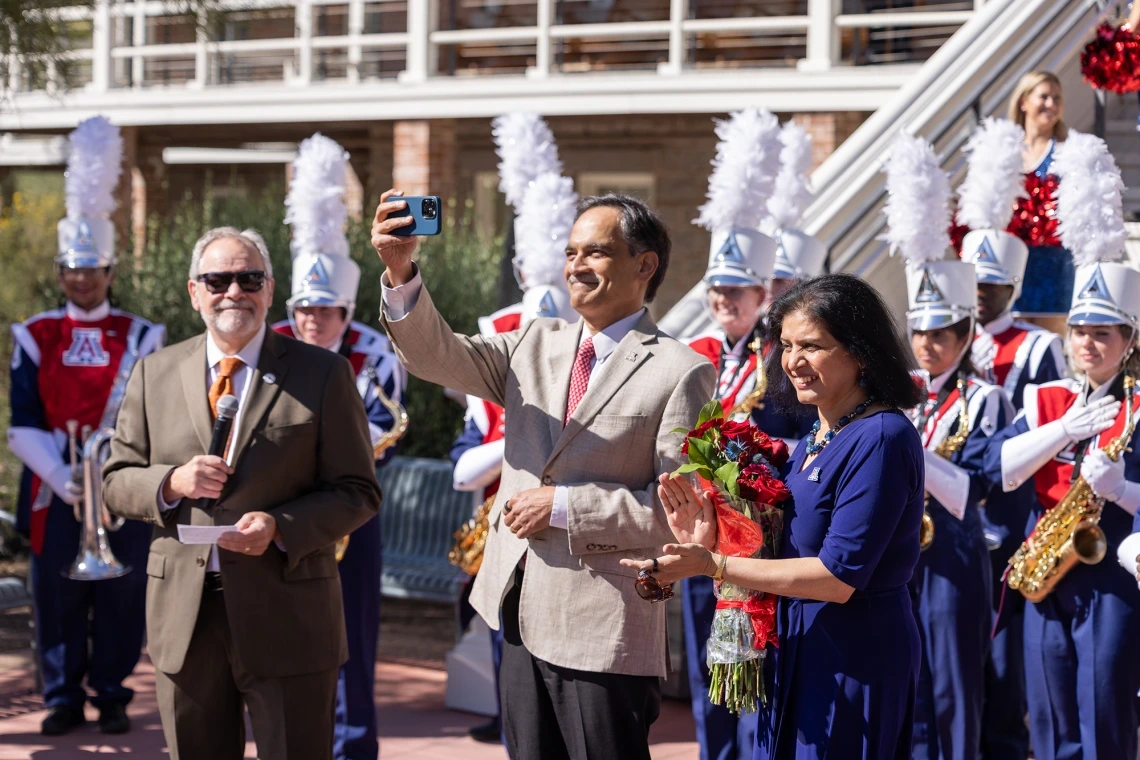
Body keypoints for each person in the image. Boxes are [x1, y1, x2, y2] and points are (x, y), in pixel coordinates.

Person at [373, 190, 715, 760]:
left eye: (596, 252)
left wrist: (563, 506)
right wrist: (401, 270)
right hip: (517, 610)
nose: (576, 265)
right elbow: (436, 358)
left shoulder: (682, 371)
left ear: (644, 264)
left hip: (603, 629)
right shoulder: (536, 340)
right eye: (571, 251)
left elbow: (680, 513)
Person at [102, 227, 381, 760]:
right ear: (194, 292)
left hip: (289, 612)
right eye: (218, 279)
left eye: (249, 278)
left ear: (270, 290)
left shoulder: (324, 373)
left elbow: (358, 491)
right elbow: (115, 480)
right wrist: (169, 482)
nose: (234, 291)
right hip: (185, 620)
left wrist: (281, 528)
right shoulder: (152, 373)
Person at [624, 273, 926, 759]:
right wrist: (714, 540)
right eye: (786, 345)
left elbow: (836, 576)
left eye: (812, 346)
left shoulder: (882, 438)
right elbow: (786, 546)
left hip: (853, 655)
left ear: (860, 350)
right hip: (799, 644)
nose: (793, 362)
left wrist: (712, 566)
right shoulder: (818, 433)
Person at [7, 116, 164, 737]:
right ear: (59, 271)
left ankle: (114, 691)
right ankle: (61, 695)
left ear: (110, 271)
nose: (81, 280)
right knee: (56, 597)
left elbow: (152, 414)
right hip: (54, 484)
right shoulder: (35, 332)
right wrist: (65, 475)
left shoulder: (143, 334)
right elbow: (21, 419)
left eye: (92, 270)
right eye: (71, 270)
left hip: (120, 482)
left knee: (121, 595)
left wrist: (108, 475)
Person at [270, 133, 404, 760]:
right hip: (280, 508)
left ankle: (354, 743)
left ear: (348, 308)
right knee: (279, 630)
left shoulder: (373, 352)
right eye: (302, 309)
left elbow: (386, 426)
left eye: (324, 311)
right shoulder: (273, 346)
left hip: (350, 509)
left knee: (352, 632)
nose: (311, 321)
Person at [986, 260, 1140, 760]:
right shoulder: (1048, 398)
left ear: (1129, 339)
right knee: (1049, 711)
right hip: (1047, 565)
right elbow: (1000, 468)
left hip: (1110, 574)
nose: (1087, 344)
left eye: (1102, 333)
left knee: (1104, 707)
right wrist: (1061, 432)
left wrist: (1119, 489)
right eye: (1079, 332)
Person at [904, 255, 1012, 760]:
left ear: (967, 333)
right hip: (899, 551)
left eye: (942, 332)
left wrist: (906, 449)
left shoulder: (986, 399)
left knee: (952, 682)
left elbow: (978, 487)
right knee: (909, 679)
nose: (928, 343)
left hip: (952, 553)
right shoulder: (897, 394)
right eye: (920, 331)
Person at [962, 224, 1063, 760]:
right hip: (948, 515)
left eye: (992, 282)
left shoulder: (1039, 345)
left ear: (1014, 286)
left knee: (1001, 661)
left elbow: (1039, 424)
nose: (981, 290)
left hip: (1006, 511)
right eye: (973, 279)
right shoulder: (941, 337)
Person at [1005, 71, 1070, 331]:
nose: (1051, 104)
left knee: (1049, 341)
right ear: (1024, 101)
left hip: (1052, 266)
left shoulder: (1068, 150)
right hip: (1010, 264)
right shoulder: (1004, 150)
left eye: (1057, 98)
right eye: (1044, 96)